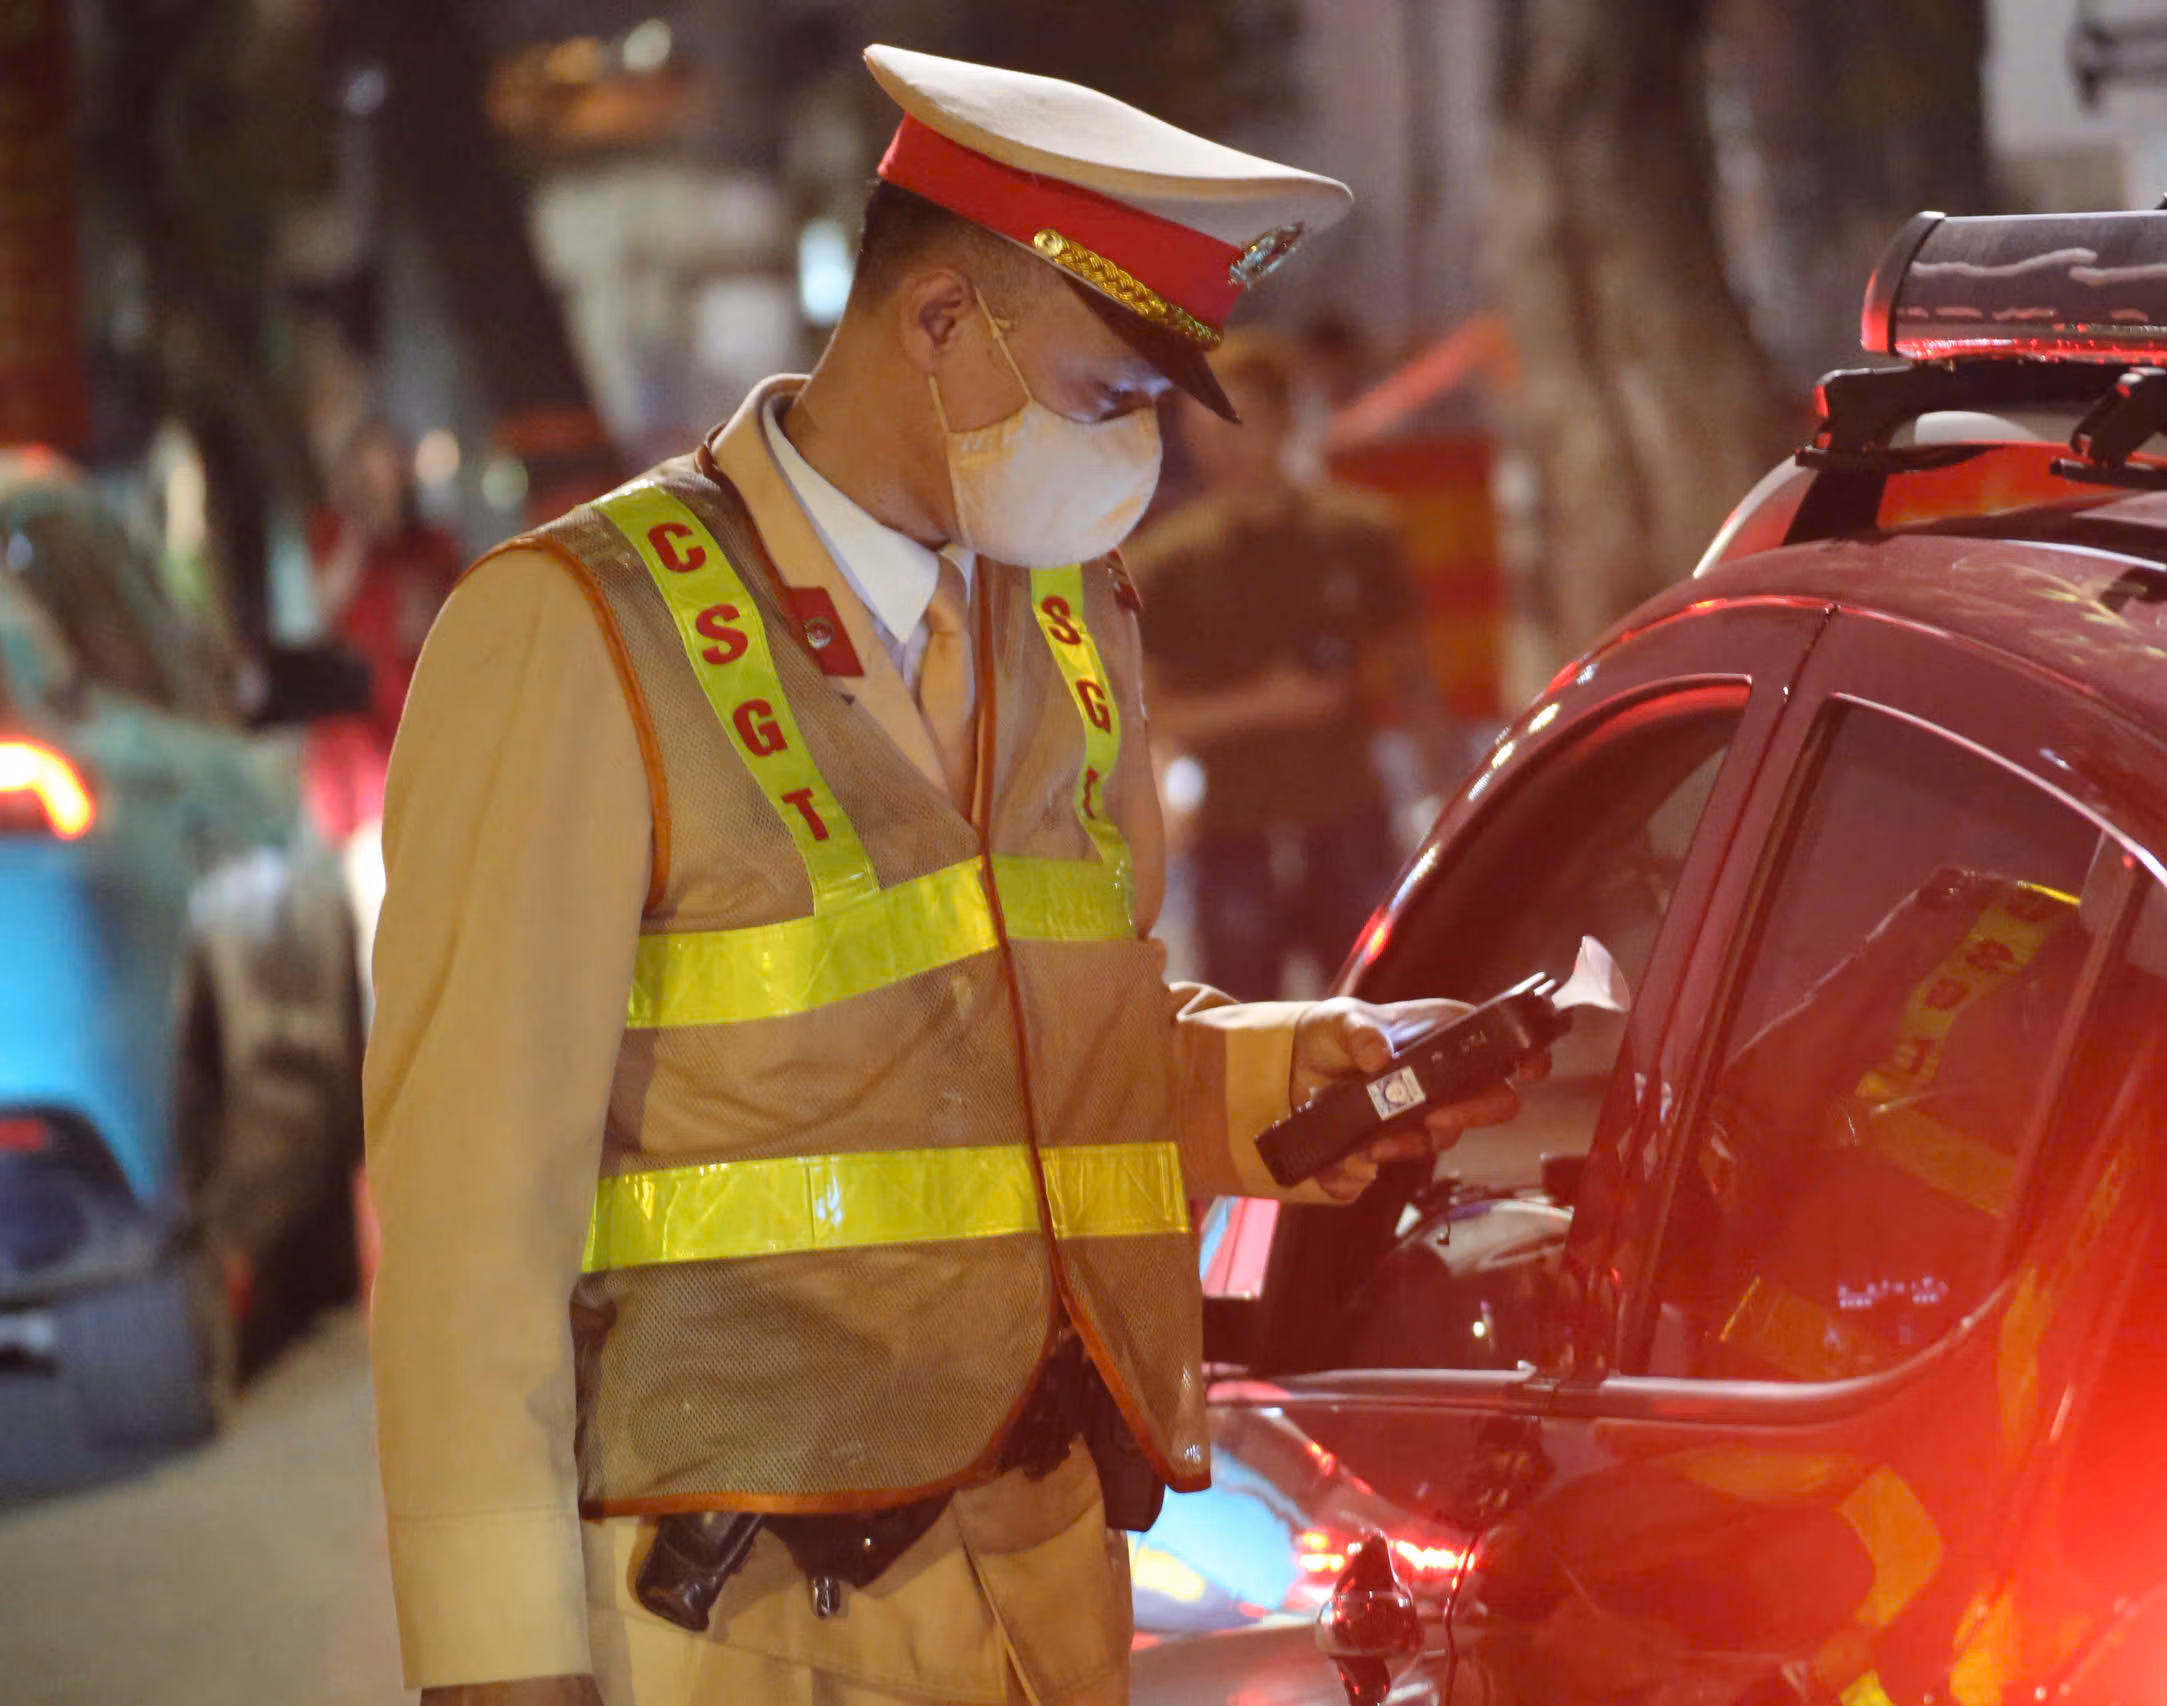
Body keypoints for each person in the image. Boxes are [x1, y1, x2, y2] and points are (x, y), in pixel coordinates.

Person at [365, 45, 1537, 1706]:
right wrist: (501, 1669)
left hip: (1047, 1587)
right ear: (937, 322)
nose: (1133, 450)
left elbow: (1008, 1041)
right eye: (1104, 396)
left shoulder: (1068, 613)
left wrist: (1276, 1079)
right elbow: (470, 1221)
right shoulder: (581, 632)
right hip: (747, 1624)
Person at [1127, 335, 1441, 997]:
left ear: (1281, 421)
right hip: (1234, 831)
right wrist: (1264, 704)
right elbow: (1146, 716)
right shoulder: (1167, 563)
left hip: (1349, 814)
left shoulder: (1358, 534)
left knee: (1375, 1010)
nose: (1220, 446)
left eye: (1235, 423)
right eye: (1202, 429)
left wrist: (1444, 803)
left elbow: (1412, 677)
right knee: (1247, 1024)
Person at [301, 418, 464, 843]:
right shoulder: (333, 537)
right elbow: (324, 603)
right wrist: (359, 532)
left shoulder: (432, 546)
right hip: (361, 743)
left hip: (422, 725)